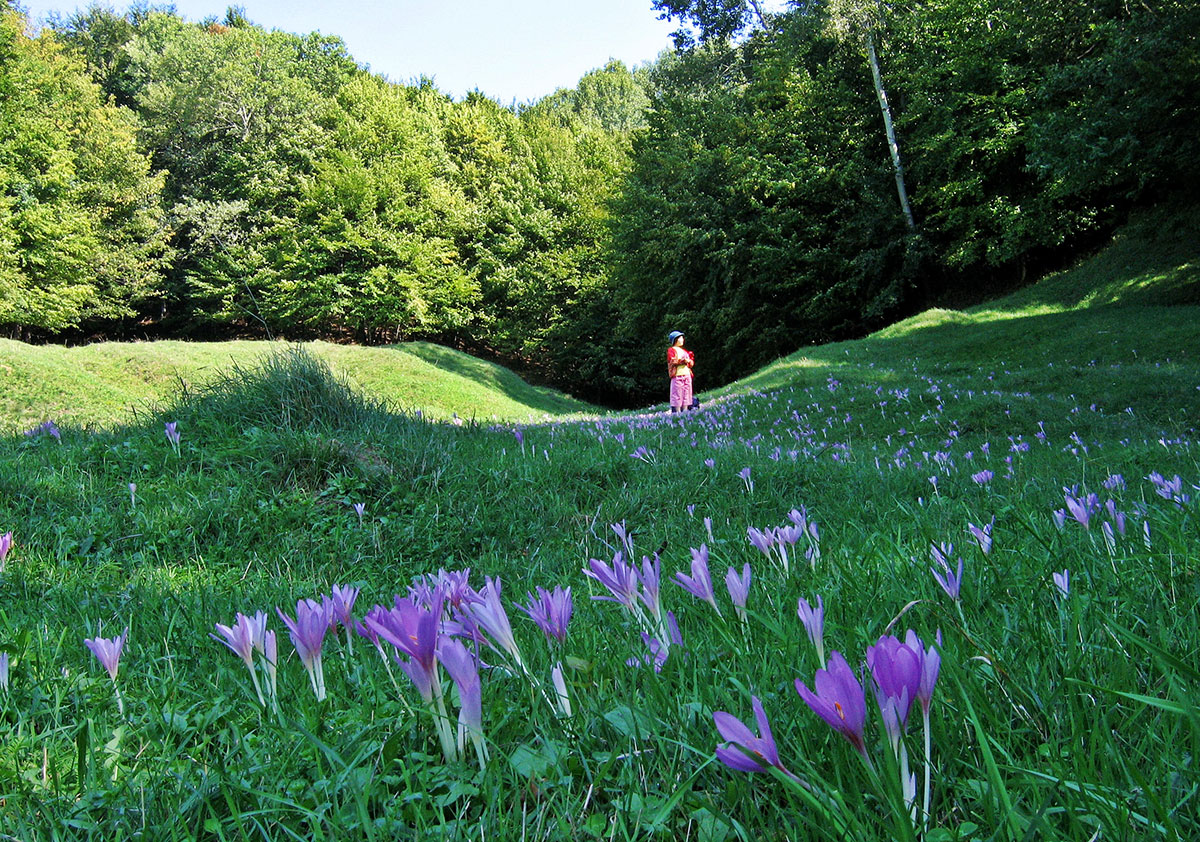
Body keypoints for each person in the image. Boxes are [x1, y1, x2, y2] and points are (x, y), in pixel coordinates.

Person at [666, 330, 694, 412]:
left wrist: (689, 361)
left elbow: (691, 362)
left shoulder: (685, 351)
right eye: (681, 338)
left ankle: (685, 410)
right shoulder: (671, 350)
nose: (682, 340)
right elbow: (672, 361)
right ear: (676, 340)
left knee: (687, 392)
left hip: (687, 374)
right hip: (677, 375)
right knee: (677, 393)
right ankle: (677, 411)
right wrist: (683, 361)